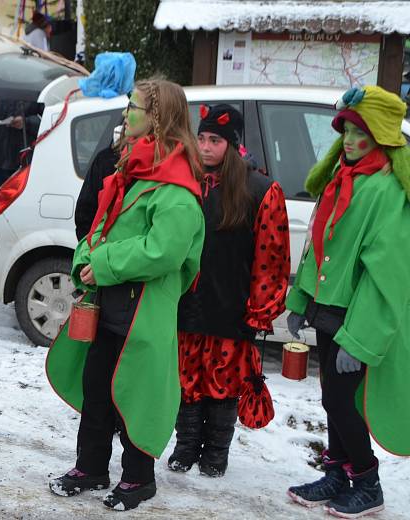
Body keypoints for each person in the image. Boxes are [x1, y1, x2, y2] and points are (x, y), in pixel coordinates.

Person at [46, 80, 206, 511]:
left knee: (138, 395)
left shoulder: (177, 184)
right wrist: (87, 255)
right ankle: (92, 466)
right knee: (96, 388)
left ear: (157, 117)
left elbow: (165, 252)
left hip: (143, 312)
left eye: (133, 107)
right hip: (109, 308)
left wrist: (104, 263)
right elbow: (100, 225)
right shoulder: (131, 170)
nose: (125, 113)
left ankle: (139, 478)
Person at [285, 86, 410, 518]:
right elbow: (315, 247)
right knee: (331, 397)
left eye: (363, 133)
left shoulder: (386, 191)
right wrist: (301, 299)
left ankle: (367, 481)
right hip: (327, 308)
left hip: (353, 317)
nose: (352, 141)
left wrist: (360, 338)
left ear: (382, 138)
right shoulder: (343, 176)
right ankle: (337, 473)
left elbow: (386, 275)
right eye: (347, 131)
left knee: (341, 401)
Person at [168, 104, 290, 477]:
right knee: (186, 380)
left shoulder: (260, 189)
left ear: (232, 143)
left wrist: (260, 309)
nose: (205, 147)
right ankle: (186, 446)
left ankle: (216, 453)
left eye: (214, 140)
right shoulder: (185, 181)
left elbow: (272, 257)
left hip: (231, 308)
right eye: (201, 138)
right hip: (187, 305)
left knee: (222, 383)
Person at [74, 122, 124, 240]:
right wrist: (90, 249)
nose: (125, 114)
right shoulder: (107, 160)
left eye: (132, 107)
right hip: (101, 251)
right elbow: (85, 214)